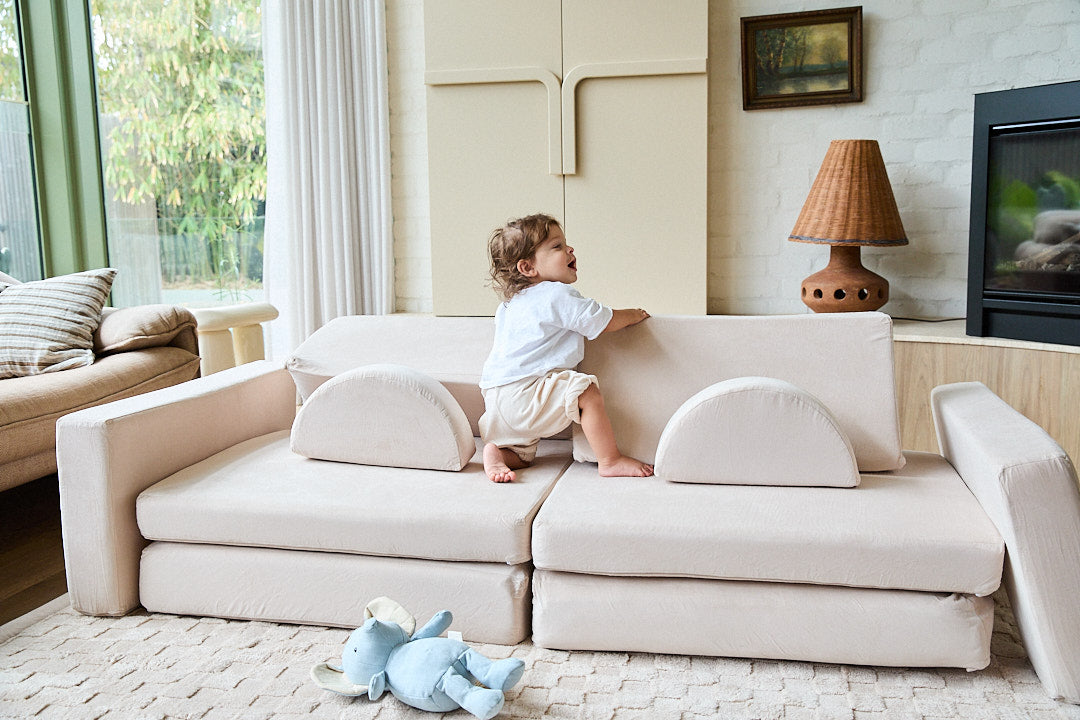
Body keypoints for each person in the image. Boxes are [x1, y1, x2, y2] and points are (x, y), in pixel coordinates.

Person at [479, 213, 653, 483]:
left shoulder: (508, 306)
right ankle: (610, 460)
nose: (570, 249)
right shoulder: (556, 294)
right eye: (557, 246)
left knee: (522, 455)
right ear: (528, 267)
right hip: (527, 392)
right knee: (586, 393)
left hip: (495, 398)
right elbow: (601, 320)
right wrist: (633, 314)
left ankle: (497, 453)